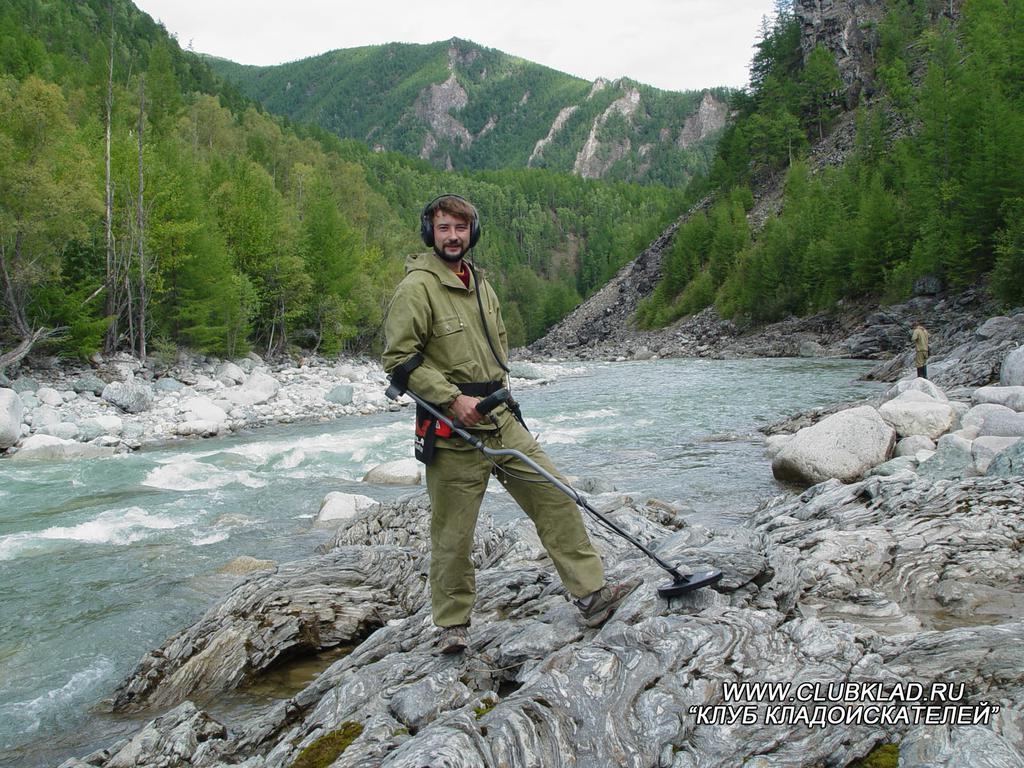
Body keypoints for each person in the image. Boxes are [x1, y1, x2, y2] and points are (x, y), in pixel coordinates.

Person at [382, 194, 641, 654]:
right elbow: (400, 361)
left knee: (556, 495)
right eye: (444, 228)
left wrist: (502, 396)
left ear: (472, 233)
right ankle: (452, 627)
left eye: (460, 228)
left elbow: (497, 349)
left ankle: (592, 595)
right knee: (453, 535)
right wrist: (451, 398)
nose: (453, 237)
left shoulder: (481, 284)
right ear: (430, 233)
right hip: (452, 429)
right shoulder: (416, 288)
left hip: (501, 417)